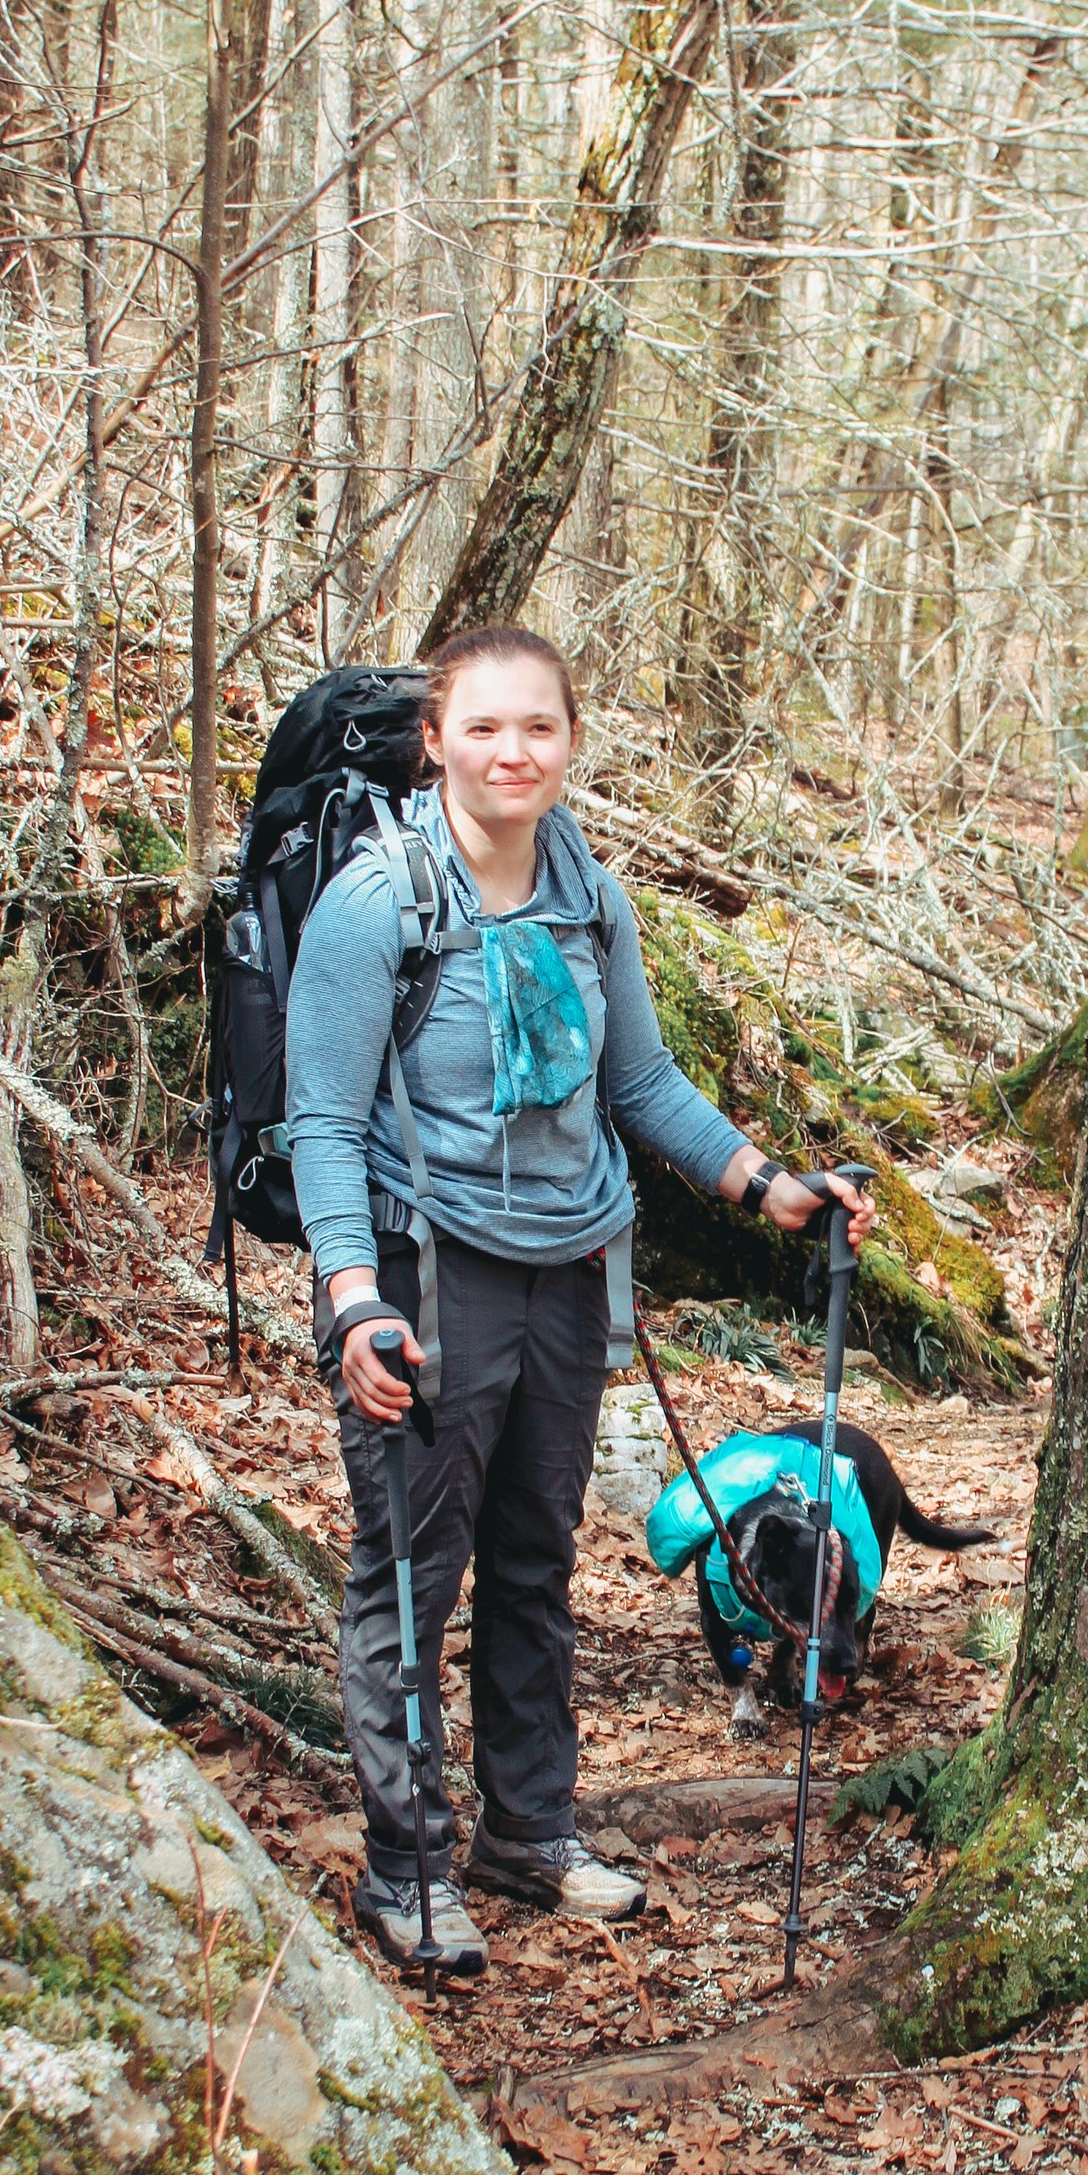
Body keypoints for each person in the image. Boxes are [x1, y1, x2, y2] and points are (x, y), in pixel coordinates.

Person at [285, 620, 875, 1975]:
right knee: (412, 1577)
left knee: (538, 1566)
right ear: (435, 740)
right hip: (428, 1269)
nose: (511, 751)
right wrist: (353, 1298)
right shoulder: (377, 903)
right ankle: (407, 1863)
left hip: (569, 1269)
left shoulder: (582, 890)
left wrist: (759, 1182)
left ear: (569, 744)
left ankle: (527, 1831)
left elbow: (639, 1084)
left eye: (537, 727)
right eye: (483, 727)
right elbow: (319, 1120)